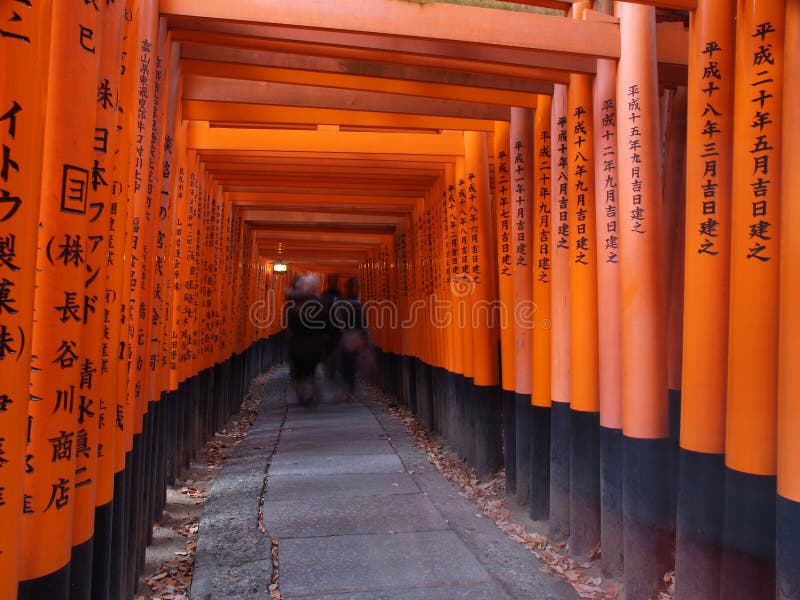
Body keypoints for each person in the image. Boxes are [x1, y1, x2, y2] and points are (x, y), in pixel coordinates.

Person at [285, 274, 325, 406]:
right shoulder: (319, 302)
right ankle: (313, 393)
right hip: (313, 342)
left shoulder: (294, 303)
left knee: (300, 372)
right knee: (310, 371)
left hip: (302, 342)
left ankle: (305, 394)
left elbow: (288, 323)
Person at [334, 277, 368, 402]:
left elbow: (338, 323)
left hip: (347, 338)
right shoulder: (359, 305)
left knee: (345, 365)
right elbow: (364, 324)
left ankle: (347, 390)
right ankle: (350, 390)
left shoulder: (343, 306)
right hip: (357, 337)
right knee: (351, 366)